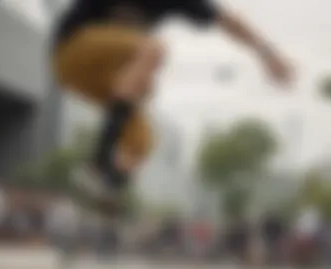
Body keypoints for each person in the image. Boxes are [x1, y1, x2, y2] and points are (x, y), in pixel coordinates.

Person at [52, 0, 293, 207]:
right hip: (72, 49)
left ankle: (105, 189)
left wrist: (267, 53)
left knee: (141, 143)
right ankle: (98, 161)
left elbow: (229, 22)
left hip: (101, 78)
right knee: (152, 49)